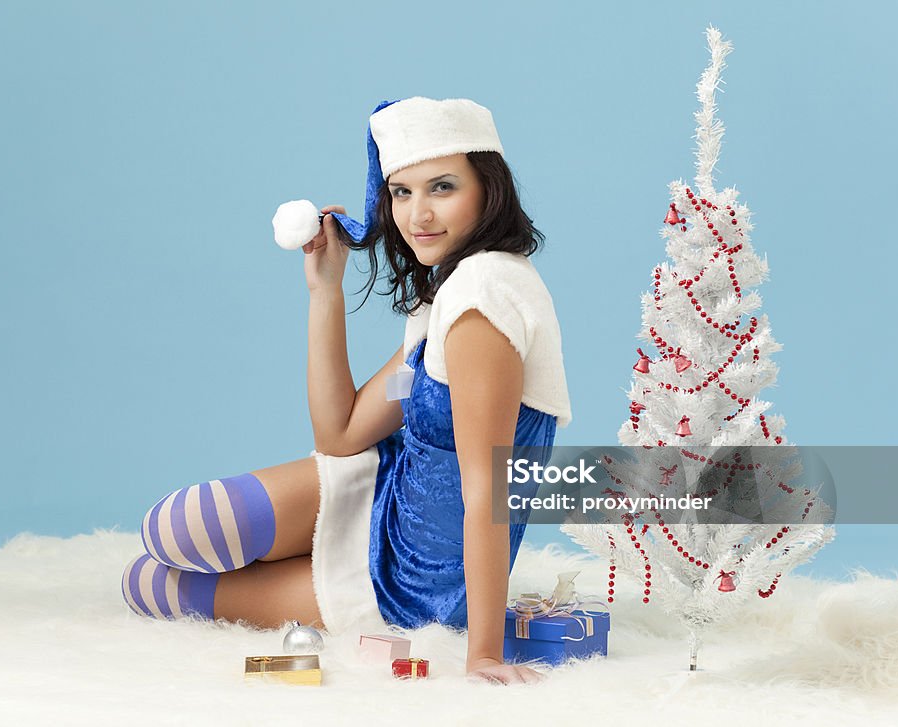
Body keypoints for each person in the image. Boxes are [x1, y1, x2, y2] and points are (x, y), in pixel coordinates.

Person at [121, 97, 573, 685]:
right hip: (383, 491)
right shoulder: (451, 290)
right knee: (175, 527)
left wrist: (483, 654)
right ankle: (291, 564)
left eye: (442, 187)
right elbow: (340, 436)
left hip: (420, 579)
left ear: (489, 190)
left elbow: (489, 484)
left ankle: (298, 574)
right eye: (401, 192)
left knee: (149, 582)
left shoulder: (485, 297)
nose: (418, 215)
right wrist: (325, 291)